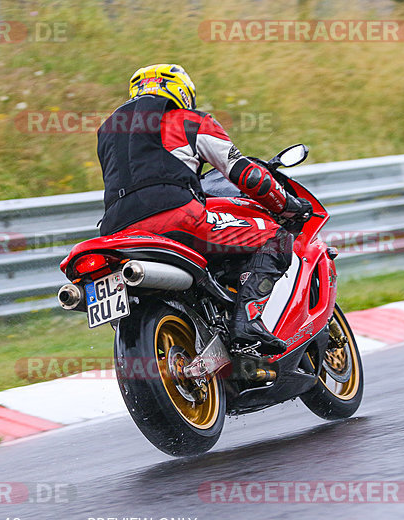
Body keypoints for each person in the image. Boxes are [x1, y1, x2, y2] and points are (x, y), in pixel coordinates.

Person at [96, 63, 313, 354]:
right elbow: (244, 174)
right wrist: (287, 205)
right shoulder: (189, 121)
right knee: (276, 238)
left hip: (116, 233)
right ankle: (247, 320)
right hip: (177, 218)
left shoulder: (108, 135)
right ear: (182, 92)